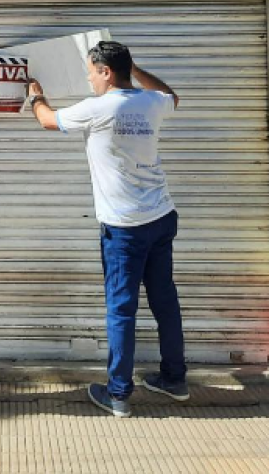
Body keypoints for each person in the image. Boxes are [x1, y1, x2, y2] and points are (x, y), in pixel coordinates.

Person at [27, 40, 188, 418]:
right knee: (164, 299)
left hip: (124, 227)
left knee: (121, 308)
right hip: (162, 216)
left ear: (106, 72)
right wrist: (137, 72)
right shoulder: (151, 101)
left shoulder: (98, 108)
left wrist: (36, 95)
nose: (88, 77)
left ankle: (118, 394)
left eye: (90, 71)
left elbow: (48, 120)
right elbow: (171, 95)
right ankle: (174, 379)